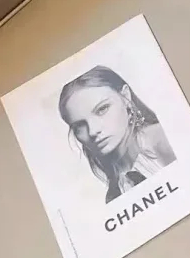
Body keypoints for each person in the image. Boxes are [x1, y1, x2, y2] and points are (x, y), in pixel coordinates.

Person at [58, 66, 176, 203]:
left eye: (102, 109)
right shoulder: (114, 193)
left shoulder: (165, 139)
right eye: (79, 126)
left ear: (125, 96)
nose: (92, 131)